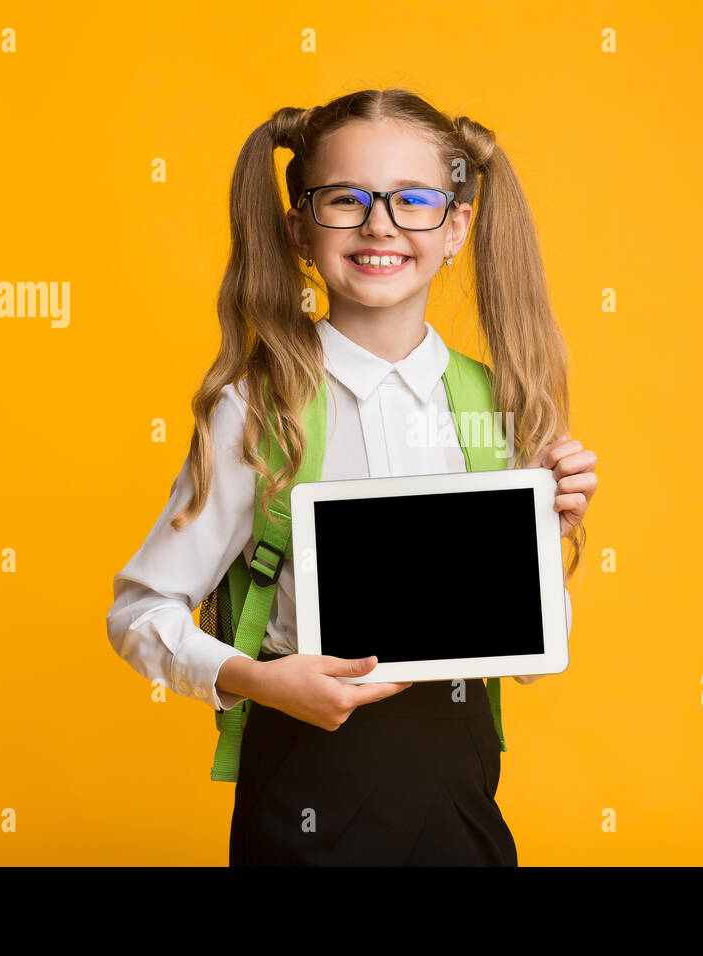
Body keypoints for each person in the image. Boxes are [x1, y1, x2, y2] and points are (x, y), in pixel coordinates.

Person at [105, 88, 599, 865]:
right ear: (301, 227)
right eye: (347, 199)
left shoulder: (499, 407)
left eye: (413, 201)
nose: (381, 224)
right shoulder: (258, 410)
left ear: (456, 229)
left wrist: (539, 538)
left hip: (457, 797)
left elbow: (532, 662)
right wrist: (259, 681)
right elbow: (139, 613)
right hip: (302, 787)